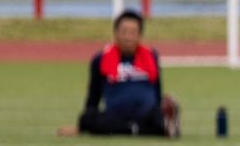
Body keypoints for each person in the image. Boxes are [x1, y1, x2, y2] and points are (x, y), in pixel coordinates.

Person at [57, 9, 180, 139]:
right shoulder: (101, 59)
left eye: (133, 33)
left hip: (145, 111)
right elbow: (93, 95)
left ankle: (162, 124)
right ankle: (143, 129)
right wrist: (82, 126)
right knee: (88, 119)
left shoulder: (151, 56)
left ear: (140, 35)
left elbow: (157, 89)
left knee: (157, 116)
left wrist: (160, 111)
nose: (128, 37)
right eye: (124, 32)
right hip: (116, 113)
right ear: (115, 33)